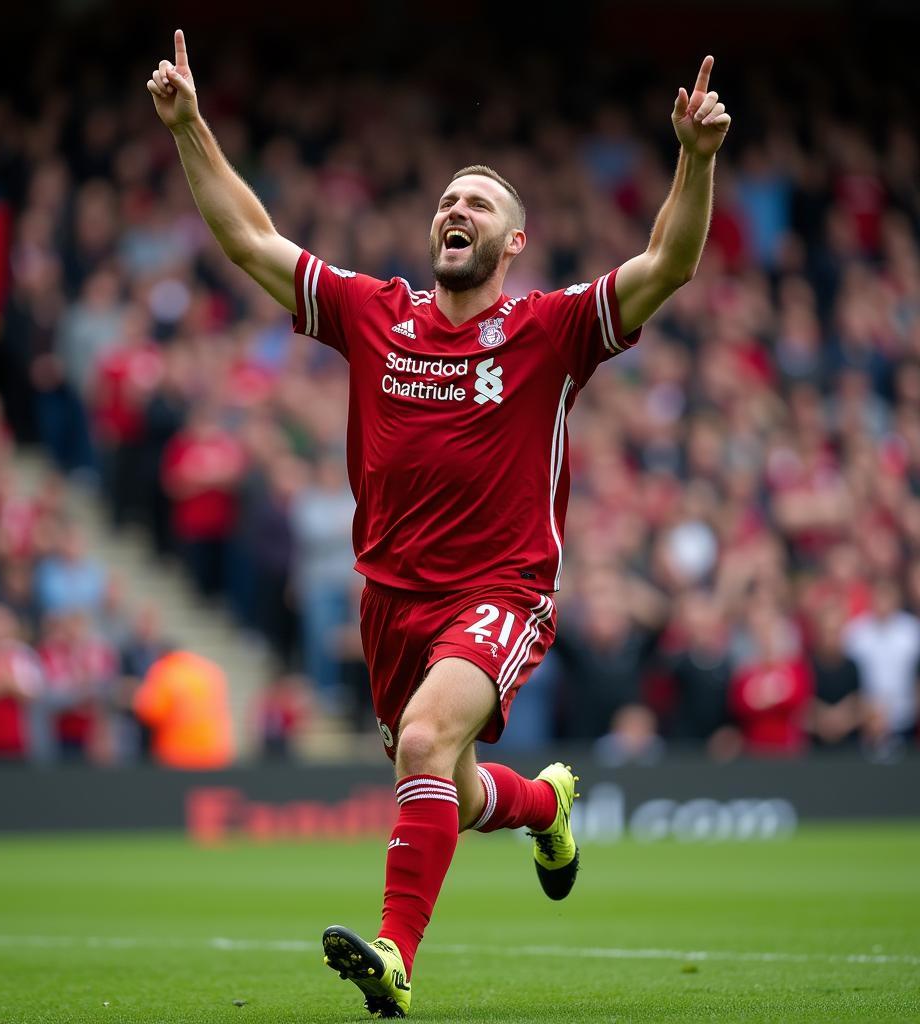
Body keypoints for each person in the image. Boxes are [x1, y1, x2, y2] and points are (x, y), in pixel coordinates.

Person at [149, 31, 730, 1019]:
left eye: (480, 203)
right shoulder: (376, 314)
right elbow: (251, 240)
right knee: (447, 787)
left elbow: (667, 262)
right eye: (447, 200)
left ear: (512, 243)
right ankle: (545, 806)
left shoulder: (551, 329)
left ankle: (394, 954)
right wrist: (189, 125)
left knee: (423, 740)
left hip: (501, 589)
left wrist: (695, 157)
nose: (454, 208)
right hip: (390, 601)